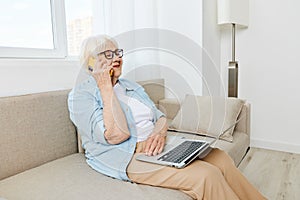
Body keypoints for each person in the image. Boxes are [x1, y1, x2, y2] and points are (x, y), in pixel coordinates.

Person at [68, 35, 266, 200]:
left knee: (219, 157)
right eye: (108, 54)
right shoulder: (80, 96)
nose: (117, 57)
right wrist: (105, 86)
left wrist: (159, 133)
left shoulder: (131, 86)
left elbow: (160, 117)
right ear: (91, 63)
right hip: (126, 155)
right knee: (206, 175)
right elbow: (116, 136)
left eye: (118, 52)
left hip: (158, 145)